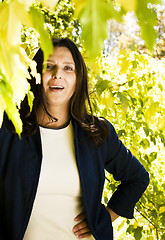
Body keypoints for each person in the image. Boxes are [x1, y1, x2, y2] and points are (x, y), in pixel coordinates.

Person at [0, 38, 149, 240]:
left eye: (68, 68)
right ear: (34, 74)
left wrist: (103, 218)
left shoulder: (96, 132)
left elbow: (137, 177)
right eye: (49, 66)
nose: (57, 74)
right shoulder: (9, 129)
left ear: (78, 78)